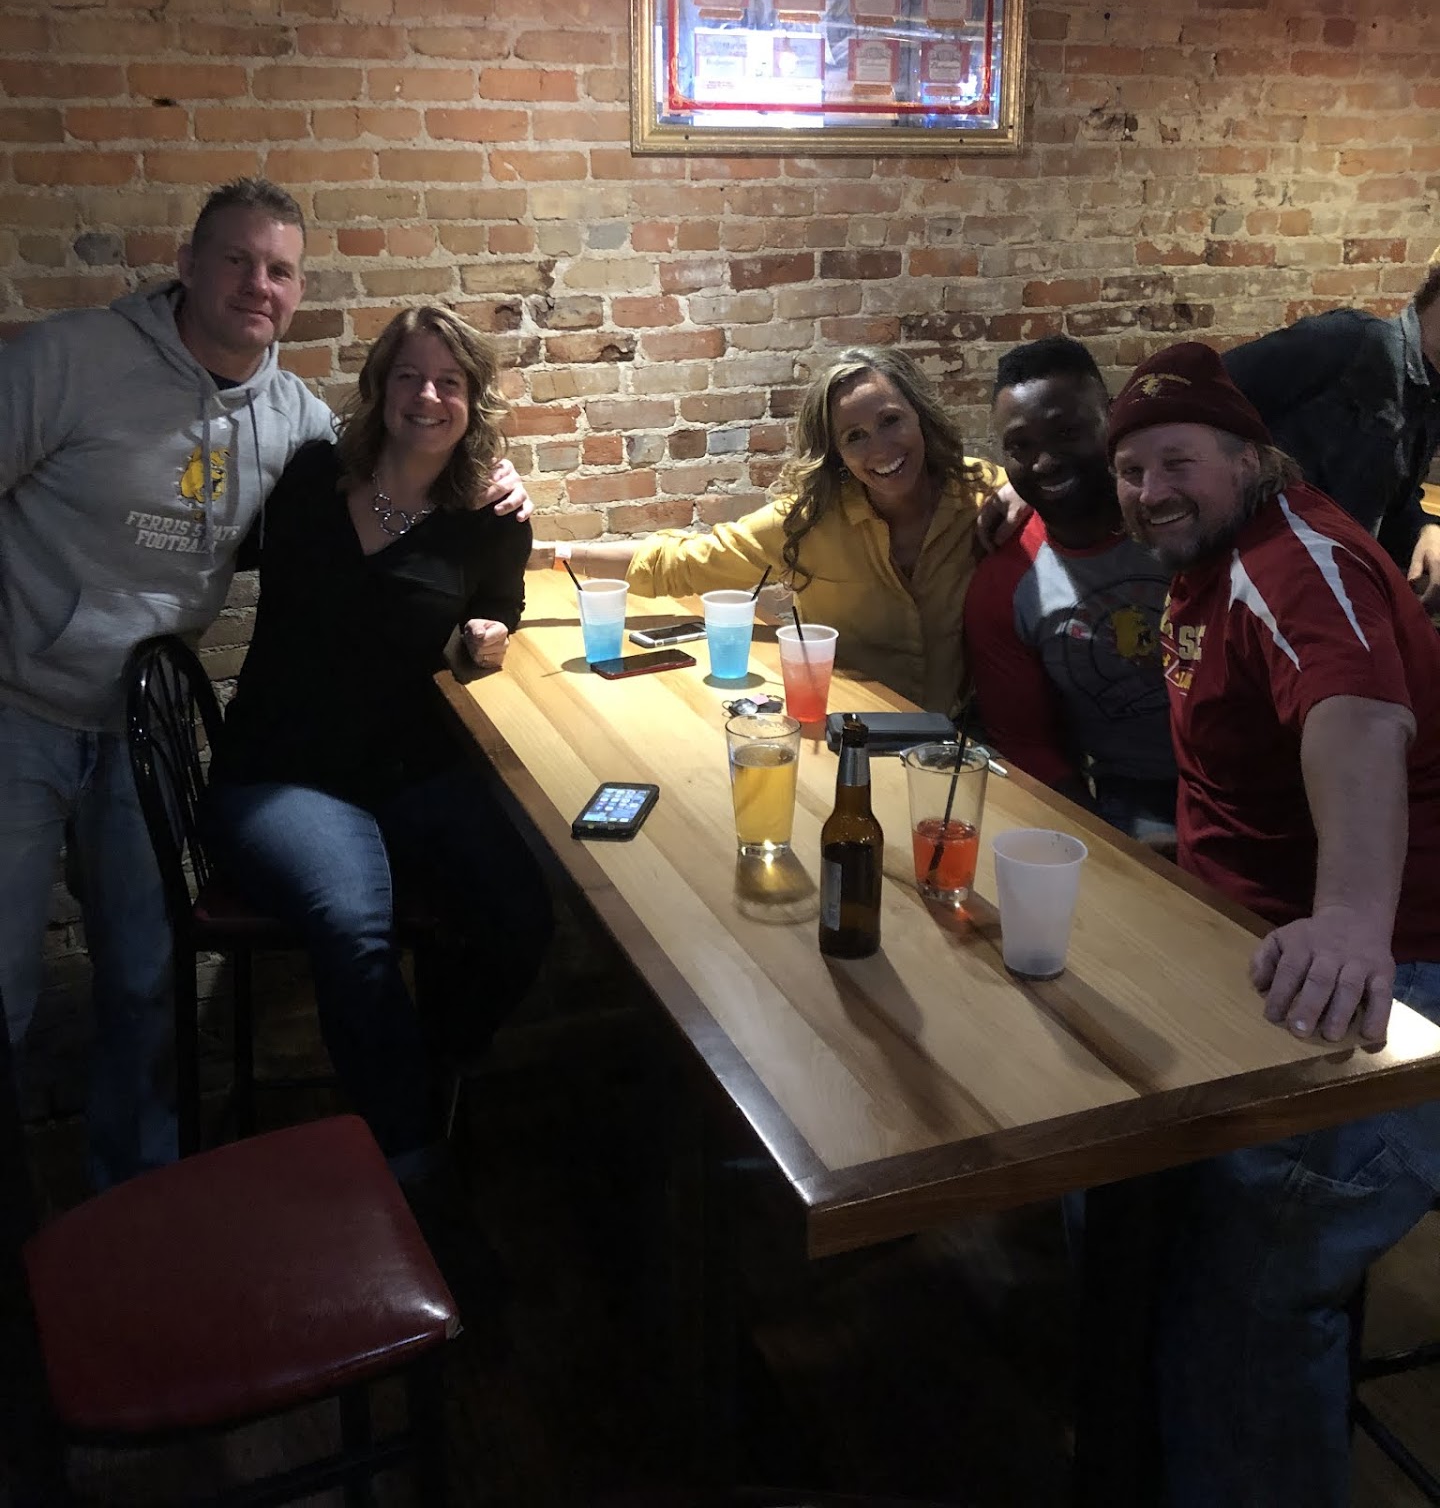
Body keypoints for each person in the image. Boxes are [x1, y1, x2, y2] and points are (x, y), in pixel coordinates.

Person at [0, 177, 529, 1188]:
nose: (258, 284)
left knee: (143, 982)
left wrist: (502, 480)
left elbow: (397, 481)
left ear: (298, 292)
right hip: (19, 707)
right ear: (188, 266)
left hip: (139, 731)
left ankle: (140, 1199)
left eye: (279, 270)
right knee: (5, 993)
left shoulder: (294, 425)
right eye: (237, 261)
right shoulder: (73, 360)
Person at [1107, 339, 1440, 1508]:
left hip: (1390, 972)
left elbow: (1358, 716)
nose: (1151, 490)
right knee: (1117, 1187)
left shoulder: (1293, 558)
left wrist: (1351, 920)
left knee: (1248, 1286)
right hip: (1250, 945)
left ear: (1249, 455)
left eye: (1178, 462)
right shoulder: (1212, 552)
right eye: (1132, 471)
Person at [204, 306, 551, 1224]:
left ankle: (433, 1059)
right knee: (354, 929)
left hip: (409, 767)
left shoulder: (490, 519)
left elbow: (501, 615)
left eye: (449, 381)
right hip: (283, 772)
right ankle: (412, 1168)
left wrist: (487, 635)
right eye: (409, 376)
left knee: (523, 914)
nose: (427, 396)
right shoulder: (312, 478)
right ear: (379, 389)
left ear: (473, 400)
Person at [529, 344, 1013, 716]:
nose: (881, 449)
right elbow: (681, 563)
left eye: (891, 421)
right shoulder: (808, 522)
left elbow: (1049, 495)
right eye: (855, 437)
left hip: (959, 741)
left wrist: (1024, 493)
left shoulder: (981, 493)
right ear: (836, 453)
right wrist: (553, 553)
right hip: (848, 732)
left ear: (920, 417)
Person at [964, 336, 1175, 843]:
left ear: (1112, 416)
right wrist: (1105, 847)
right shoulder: (1004, 584)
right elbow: (1029, 747)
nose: (1044, 462)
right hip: (1129, 797)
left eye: (1067, 433)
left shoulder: (1181, 516)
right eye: (1021, 446)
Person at [1223, 254, 1440, 605]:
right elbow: (1200, 391)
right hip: (1256, 593)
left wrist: (1424, 529)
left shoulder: (1429, 396)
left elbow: (1388, 497)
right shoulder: (1349, 341)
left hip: (1325, 600)